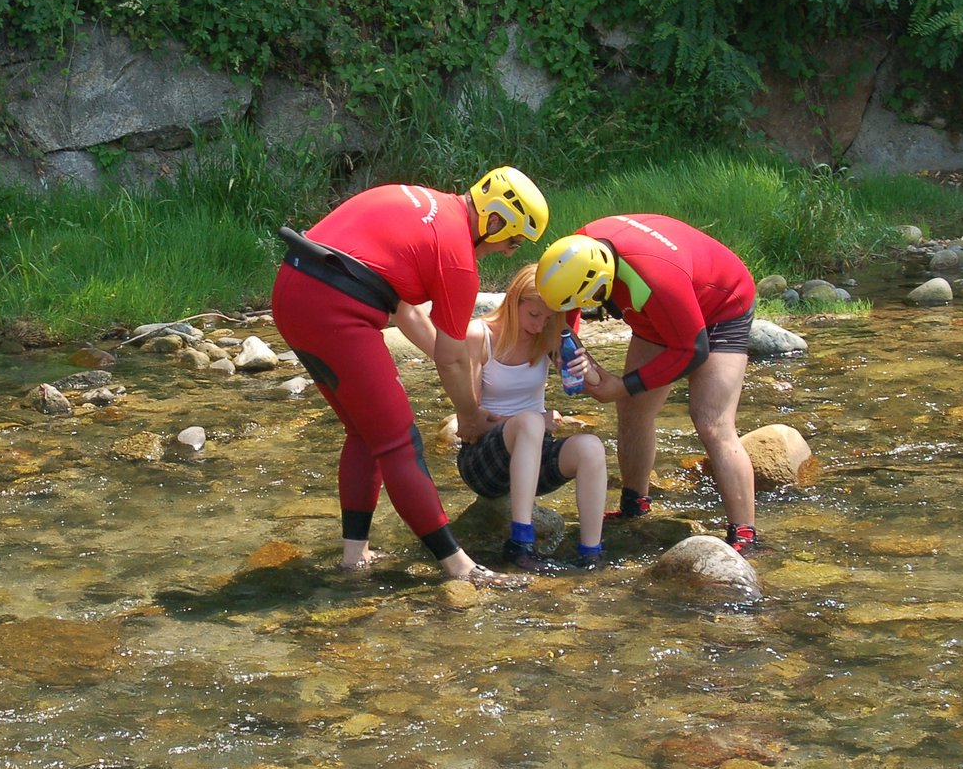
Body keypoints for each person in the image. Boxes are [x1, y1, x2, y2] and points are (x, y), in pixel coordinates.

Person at [270, 166, 549, 587]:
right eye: (514, 240)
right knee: (400, 439)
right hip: (332, 308)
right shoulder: (458, 258)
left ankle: (354, 557)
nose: (511, 252)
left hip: (291, 289)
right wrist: (470, 416)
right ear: (494, 220)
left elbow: (411, 314)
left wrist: (462, 374)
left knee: (365, 431)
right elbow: (453, 359)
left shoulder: (420, 201)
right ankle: (460, 568)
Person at [535, 214, 759, 552]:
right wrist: (574, 357)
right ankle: (634, 505)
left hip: (721, 307)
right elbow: (563, 319)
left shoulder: (656, 278)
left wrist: (620, 385)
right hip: (663, 309)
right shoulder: (574, 252)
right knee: (632, 411)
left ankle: (745, 534)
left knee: (711, 421)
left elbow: (691, 352)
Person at [403, 263, 611, 570]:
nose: (540, 325)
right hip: (484, 459)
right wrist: (536, 420)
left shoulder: (552, 335)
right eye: (534, 315)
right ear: (514, 301)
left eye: (549, 318)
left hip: (533, 456)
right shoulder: (479, 335)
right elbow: (471, 422)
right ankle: (520, 543)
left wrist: (587, 373)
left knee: (591, 446)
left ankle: (590, 554)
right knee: (528, 422)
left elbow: (594, 387)